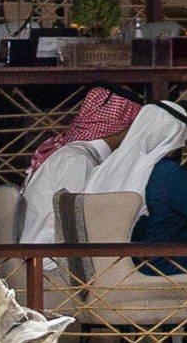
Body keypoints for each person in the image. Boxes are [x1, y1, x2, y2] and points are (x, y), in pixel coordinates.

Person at [88, 101, 187, 274]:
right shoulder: (167, 173)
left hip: (114, 272)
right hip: (166, 271)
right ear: (174, 138)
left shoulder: (109, 168)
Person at [19, 83, 144, 244]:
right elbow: (76, 221)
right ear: (123, 128)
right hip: (51, 257)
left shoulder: (77, 152)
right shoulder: (77, 159)